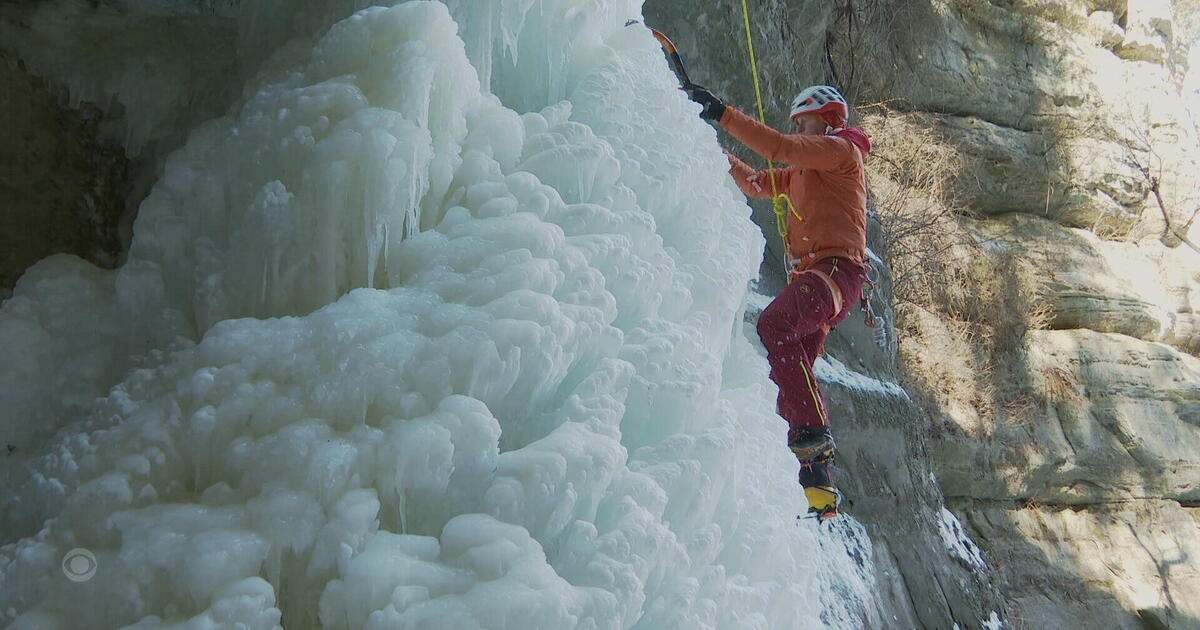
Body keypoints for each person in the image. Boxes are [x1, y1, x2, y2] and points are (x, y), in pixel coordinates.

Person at [687, 83, 873, 520]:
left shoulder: (842, 152)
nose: (801, 132)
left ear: (827, 120)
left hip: (834, 272)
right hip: (822, 278)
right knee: (792, 371)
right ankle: (817, 482)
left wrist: (720, 112)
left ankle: (814, 432)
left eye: (805, 123)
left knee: (774, 327)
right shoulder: (804, 173)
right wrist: (711, 148)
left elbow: (778, 147)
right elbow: (754, 182)